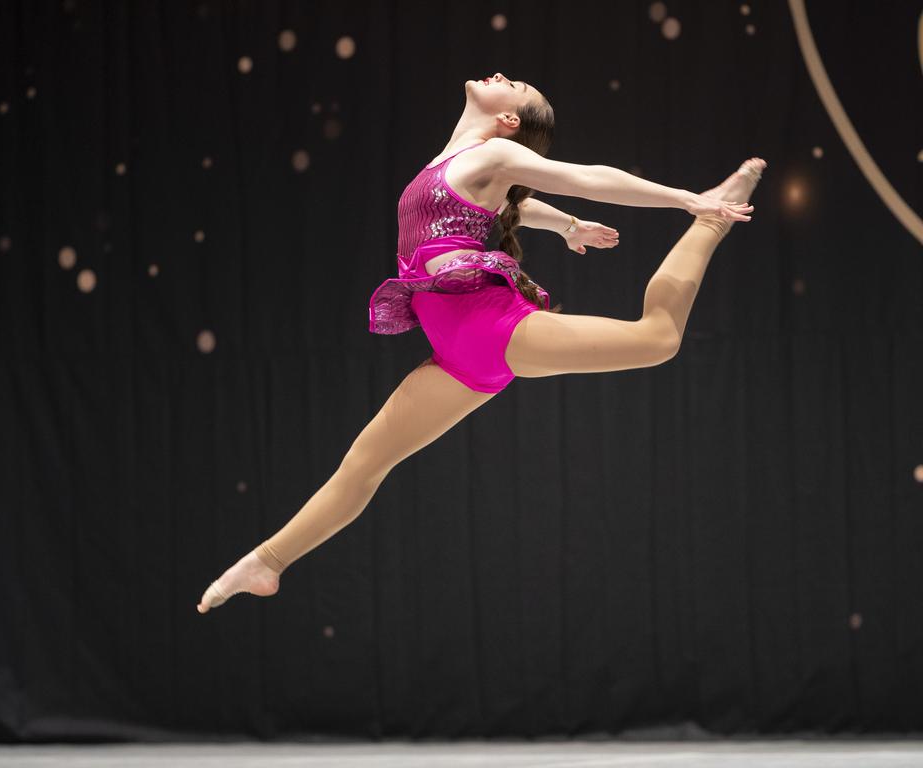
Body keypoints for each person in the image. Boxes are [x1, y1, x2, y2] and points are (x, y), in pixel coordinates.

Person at [197, 72, 765, 612]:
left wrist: (688, 200)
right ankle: (265, 562)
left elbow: (591, 177)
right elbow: (513, 204)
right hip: (459, 356)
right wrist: (566, 226)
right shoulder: (461, 164)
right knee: (363, 466)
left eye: (514, 84)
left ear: (511, 119)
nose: (499, 75)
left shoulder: (493, 154)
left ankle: (711, 223)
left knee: (657, 337)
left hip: (488, 326)